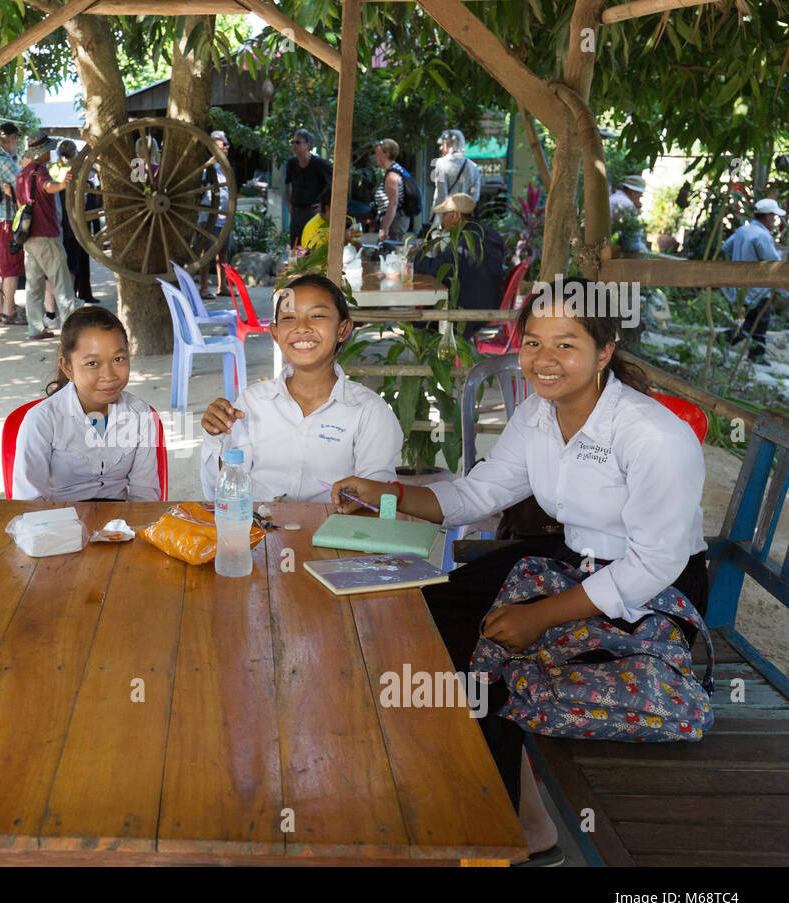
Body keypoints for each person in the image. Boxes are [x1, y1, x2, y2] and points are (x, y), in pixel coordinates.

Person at [329, 277, 708, 865]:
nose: (544, 361)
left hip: (653, 594)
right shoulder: (537, 414)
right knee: (428, 611)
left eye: (566, 344)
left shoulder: (653, 435)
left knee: (499, 660)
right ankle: (478, 791)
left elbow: (656, 561)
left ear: (604, 351)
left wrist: (542, 615)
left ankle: (519, 829)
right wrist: (390, 493)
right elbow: (482, 492)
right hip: (572, 566)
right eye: (533, 342)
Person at [199, 274, 401, 502]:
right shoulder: (252, 403)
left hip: (332, 533)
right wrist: (214, 438)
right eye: (289, 318)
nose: (302, 328)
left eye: (317, 315)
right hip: (260, 532)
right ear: (275, 333)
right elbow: (217, 492)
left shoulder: (368, 411)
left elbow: (379, 499)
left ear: (342, 330)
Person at [11, 307, 162, 501]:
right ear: (67, 367)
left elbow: (145, 495)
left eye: (118, 359)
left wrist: (123, 531)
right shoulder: (42, 420)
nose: (109, 376)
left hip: (121, 527)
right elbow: (28, 502)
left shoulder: (141, 414)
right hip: (56, 524)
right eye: (92, 363)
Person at [16, 134, 82, 341]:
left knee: (33, 286)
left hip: (28, 237)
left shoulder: (21, 175)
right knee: (62, 283)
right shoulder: (40, 171)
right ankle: (70, 328)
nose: (50, 153)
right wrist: (63, 184)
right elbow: (47, 187)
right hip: (46, 235)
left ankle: (35, 328)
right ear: (41, 152)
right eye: (48, 149)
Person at [413, 193, 505, 338]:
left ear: (455, 216)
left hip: (468, 309)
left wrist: (416, 255)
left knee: (417, 322)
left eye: (444, 215)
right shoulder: (489, 233)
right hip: (491, 301)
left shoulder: (463, 240)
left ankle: (434, 358)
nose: (441, 219)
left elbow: (435, 269)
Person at [721, 197, 786, 359]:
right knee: (755, 323)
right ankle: (723, 340)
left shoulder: (744, 230)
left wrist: (742, 255)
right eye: (773, 217)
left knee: (758, 323)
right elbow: (773, 262)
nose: (774, 220)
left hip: (739, 285)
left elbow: (726, 247)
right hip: (757, 288)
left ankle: (757, 354)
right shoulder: (762, 236)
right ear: (767, 216)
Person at [0, 122, 27, 326]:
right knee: (11, 267)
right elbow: (21, 185)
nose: (17, 144)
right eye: (17, 140)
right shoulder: (4, 161)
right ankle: (9, 310)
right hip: (6, 220)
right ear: (11, 139)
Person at [54, 140, 98, 304]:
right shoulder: (73, 170)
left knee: (72, 259)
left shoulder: (56, 169)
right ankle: (75, 295)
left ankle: (81, 293)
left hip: (64, 220)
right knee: (76, 259)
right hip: (75, 218)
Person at [197, 130, 234, 299]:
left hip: (224, 215)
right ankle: (203, 287)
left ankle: (222, 285)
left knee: (223, 252)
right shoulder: (208, 167)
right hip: (210, 215)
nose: (226, 146)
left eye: (226, 143)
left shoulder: (225, 167)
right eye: (222, 143)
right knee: (207, 251)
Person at [285, 129, 333, 250]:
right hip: (296, 211)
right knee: (295, 246)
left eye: (298, 142)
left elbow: (333, 182)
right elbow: (287, 182)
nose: (294, 145)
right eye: (293, 142)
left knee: (310, 247)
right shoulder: (291, 163)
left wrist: (324, 203)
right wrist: (288, 202)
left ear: (308, 145)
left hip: (312, 211)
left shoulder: (319, 164)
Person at [429, 129, 481, 228]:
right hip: (464, 219)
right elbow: (475, 196)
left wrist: (437, 218)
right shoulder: (473, 166)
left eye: (442, 144)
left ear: (449, 145)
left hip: (446, 217)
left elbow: (441, 195)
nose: (440, 148)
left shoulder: (441, 163)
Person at [372, 138, 415, 242]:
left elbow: (393, 203)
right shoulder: (396, 170)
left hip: (394, 223)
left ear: (386, 154)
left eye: (377, 153)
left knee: (390, 255)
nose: (375, 156)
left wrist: (385, 229)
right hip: (395, 221)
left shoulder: (392, 175)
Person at [300, 186, 357, 251]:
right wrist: (342, 238)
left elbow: (351, 244)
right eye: (342, 207)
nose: (346, 210)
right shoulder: (313, 229)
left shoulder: (343, 220)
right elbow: (320, 257)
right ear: (328, 208)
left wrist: (358, 246)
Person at [609, 174, 648, 254]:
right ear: (632, 192)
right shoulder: (626, 203)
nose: (640, 198)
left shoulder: (615, 197)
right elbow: (631, 230)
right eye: (639, 195)